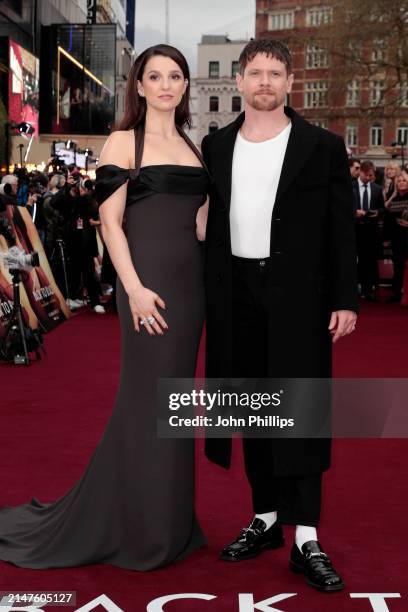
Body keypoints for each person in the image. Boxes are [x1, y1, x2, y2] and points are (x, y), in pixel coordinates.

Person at [0, 44, 209, 571]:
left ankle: (170, 520)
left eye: (175, 76)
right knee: (148, 403)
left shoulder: (193, 143)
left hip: (192, 291)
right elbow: (111, 224)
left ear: (185, 85)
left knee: (177, 406)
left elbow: (202, 224)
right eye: (154, 76)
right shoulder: (123, 140)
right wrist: (132, 289)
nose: (166, 84)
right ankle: (140, 527)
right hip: (150, 289)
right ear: (138, 86)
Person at [201, 38, 358, 592]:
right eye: (255, 72)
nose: (265, 81)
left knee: (301, 410)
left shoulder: (322, 146)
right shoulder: (215, 145)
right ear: (239, 82)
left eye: (275, 73)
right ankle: (265, 519)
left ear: (290, 82)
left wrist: (345, 298)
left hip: (300, 296)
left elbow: (341, 230)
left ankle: (307, 538)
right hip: (233, 294)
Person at [352, 160, 384, 301]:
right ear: (361, 172)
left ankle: (368, 290)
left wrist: (378, 212)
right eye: (368, 175)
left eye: (371, 175)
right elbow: (343, 206)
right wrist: (354, 212)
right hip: (354, 229)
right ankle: (353, 291)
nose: (369, 178)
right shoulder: (350, 187)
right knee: (353, 261)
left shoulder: (377, 189)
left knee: (369, 261)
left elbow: (382, 208)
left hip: (371, 231)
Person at [383, 170, 408, 303]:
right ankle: (396, 293)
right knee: (398, 266)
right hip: (398, 238)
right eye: (399, 181)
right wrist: (386, 239)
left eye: (404, 180)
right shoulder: (394, 199)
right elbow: (388, 220)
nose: (401, 183)